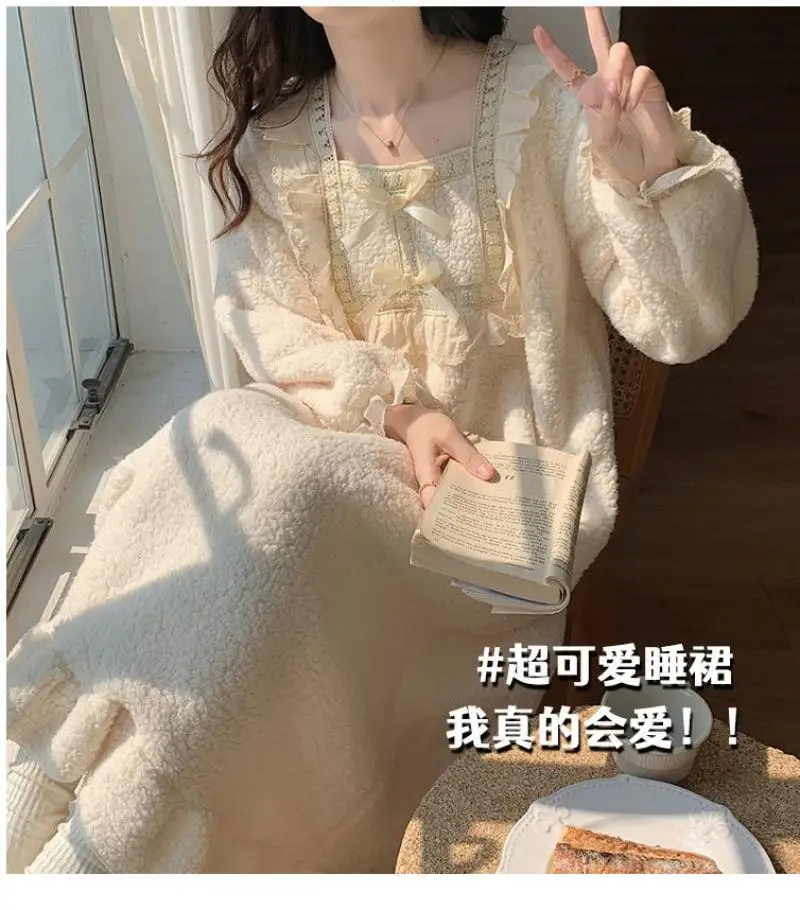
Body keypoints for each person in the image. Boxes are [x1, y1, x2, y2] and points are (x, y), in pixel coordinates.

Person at [6, 6, 757, 873]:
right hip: (330, 462)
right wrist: (396, 410)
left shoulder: (543, 108)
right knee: (222, 442)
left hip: (481, 521)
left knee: (281, 517)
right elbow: (271, 329)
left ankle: (88, 851)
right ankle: (41, 801)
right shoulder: (278, 141)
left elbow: (682, 320)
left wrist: (653, 172)